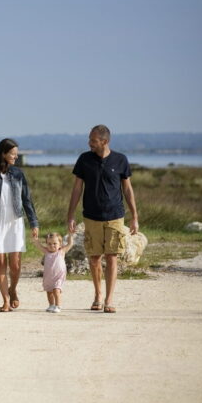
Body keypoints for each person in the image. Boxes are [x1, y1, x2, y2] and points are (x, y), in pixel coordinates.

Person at [66, 125, 139, 314]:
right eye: (90, 139)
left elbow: (127, 189)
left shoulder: (120, 160)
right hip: (91, 216)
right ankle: (98, 295)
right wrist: (71, 214)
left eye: (93, 140)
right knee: (94, 258)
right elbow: (77, 188)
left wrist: (134, 217)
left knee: (112, 257)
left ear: (104, 141)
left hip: (115, 216)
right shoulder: (84, 159)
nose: (89, 143)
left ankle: (109, 299)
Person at [0, 138, 39, 312]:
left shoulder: (18, 174)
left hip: (15, 222)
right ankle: (5, 300)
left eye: (16, 154)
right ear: (3, 154)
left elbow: (27, 199)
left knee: (16, 265)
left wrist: (34, 222)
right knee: (1, 264)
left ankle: (12, 289)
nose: (16, 157)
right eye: (13, 154)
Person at [35, 232, 74, 313]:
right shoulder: (46, 251)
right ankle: (51, 305)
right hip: (48, 277)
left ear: (60, 244)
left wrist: (70, 235)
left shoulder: (61, 251)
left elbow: (70, 244)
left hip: (58, 276)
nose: (52, 245)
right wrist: (36, 239)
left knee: (56, 290)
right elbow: (39, 246)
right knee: (49, 291)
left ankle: (58, 306)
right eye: (49, 244)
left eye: (54, 243)